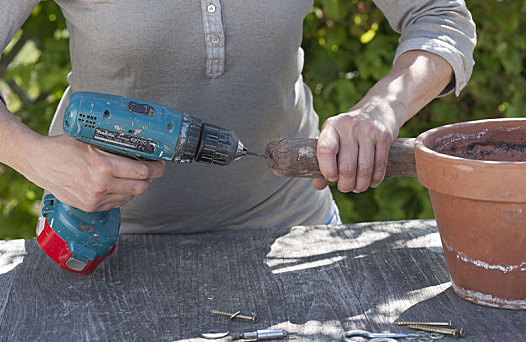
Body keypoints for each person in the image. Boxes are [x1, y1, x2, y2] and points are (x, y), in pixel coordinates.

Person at [0, 1, 476, 234]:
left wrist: (382, 107)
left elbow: (441, 15)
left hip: (291, 229)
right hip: (104, 240)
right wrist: (36, 157)